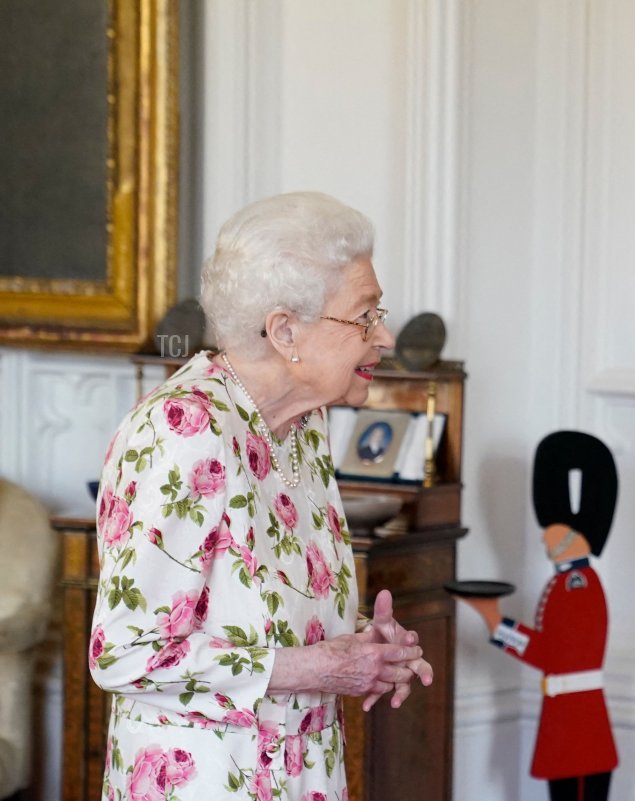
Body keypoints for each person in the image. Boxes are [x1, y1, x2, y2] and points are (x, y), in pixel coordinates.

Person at [89, 191, 434, 801]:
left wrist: (363, 647)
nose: (383, 336)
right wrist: (320, 668)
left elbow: (259, 607)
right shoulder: (183, 431)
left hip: (302, 775)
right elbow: (123, 652)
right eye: (364, 316)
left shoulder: (304, 426)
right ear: (284, 331)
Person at [454, 431, 620, 801]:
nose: (545, 540)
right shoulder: (567, 582)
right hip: (567, 716)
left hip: (577, 720)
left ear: (572, 539)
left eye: (553, 535)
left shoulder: (578, 584)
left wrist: (498, 624)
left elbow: (554, 654)